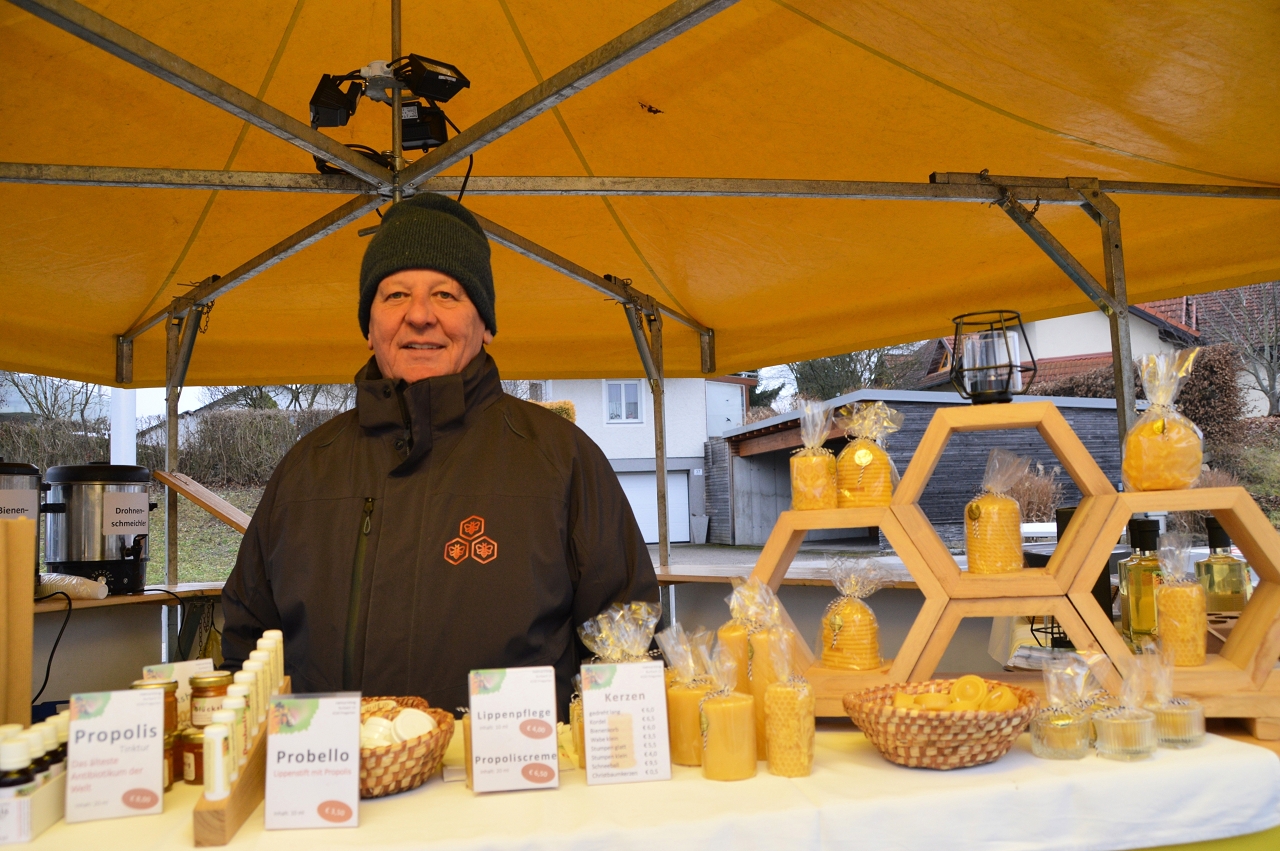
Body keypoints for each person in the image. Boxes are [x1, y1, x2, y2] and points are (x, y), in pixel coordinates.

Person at [220, 192, 658, 713]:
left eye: (446, 295)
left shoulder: (562, 461)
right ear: (369, 327)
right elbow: (247, 646)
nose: (420, 316)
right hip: (337, 765)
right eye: (395, 295)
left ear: (485, 324)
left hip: (517, 765)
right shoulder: (306, 470)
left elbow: (628, 643)